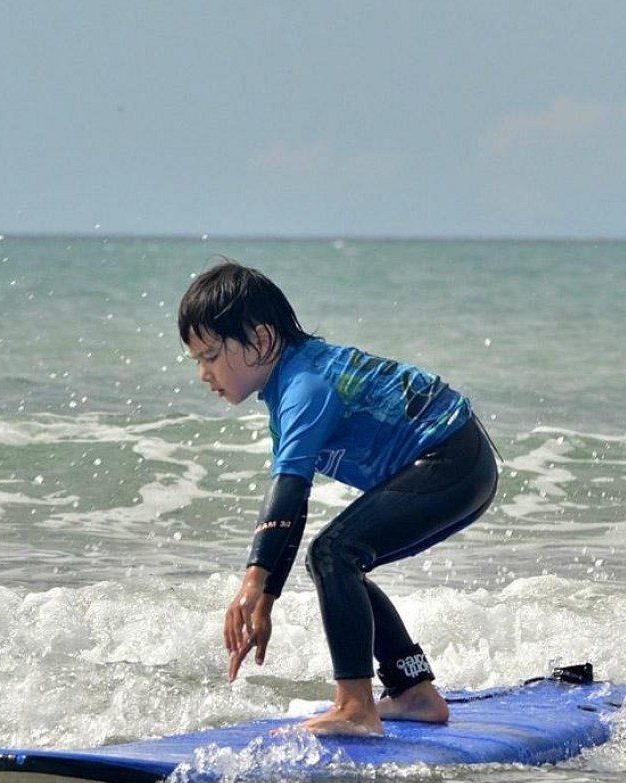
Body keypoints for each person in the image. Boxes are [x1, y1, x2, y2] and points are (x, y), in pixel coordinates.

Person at [178, 261, 498, 735]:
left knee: (336, 553)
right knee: (338, 558)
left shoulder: (305, 387)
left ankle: (356, 707)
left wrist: (252, 580)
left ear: (261, 341)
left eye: (209, 355)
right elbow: (295, 507)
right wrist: (266, 598)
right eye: (196, 360)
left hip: (451, 457)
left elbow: (287, 491)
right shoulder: (288, 383)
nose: (204, 373)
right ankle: (413, 692)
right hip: (462, 462)